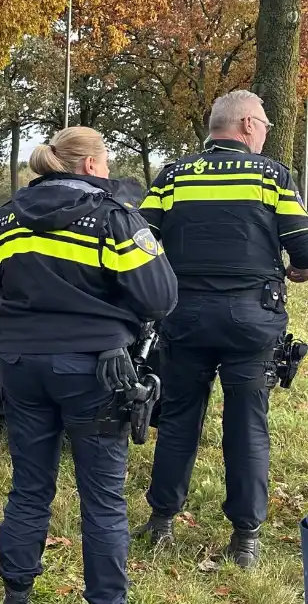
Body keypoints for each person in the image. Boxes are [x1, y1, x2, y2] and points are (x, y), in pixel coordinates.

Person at [0, 127, 178, 604]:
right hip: (95, 369)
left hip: (21, 364)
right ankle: (107, 598)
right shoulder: (115, 219)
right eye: (105, 163)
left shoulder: (6, 218)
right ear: (90, 165)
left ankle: (16, 594)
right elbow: (161, 297)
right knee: (103, 498)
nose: (108, 171)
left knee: (28, 486)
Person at [134, 90, 308, 567]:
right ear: (249, 125)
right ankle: (245, 538)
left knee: (177, 421)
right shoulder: (272, 176)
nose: (268, 132)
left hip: (183, 318)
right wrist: (297, 268)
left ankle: (161, 520)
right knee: (247, 427)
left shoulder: (173, 175)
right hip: (251, 323)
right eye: (267, 125)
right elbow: (305, 247)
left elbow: (141, 239)